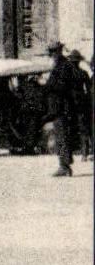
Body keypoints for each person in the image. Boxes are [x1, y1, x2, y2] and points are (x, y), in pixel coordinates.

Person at [45, 41, 75, 176]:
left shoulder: (63, 66)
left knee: (62, 137)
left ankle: (65, 167)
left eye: (52, 52)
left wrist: (46, 85)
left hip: (62, 107)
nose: (51, 54)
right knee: (61, 137)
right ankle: (64, 165)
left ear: (58, 51)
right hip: (59, 108)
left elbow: (63, 87)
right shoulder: (61, 65)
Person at [68, 49, 92, 162]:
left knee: (74, 128)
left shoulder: (67, 74)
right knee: (84, 129)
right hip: (82, 104)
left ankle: (74, 152)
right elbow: (89, 89)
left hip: (69, 104)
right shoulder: (83, 73)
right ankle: (84, 153)